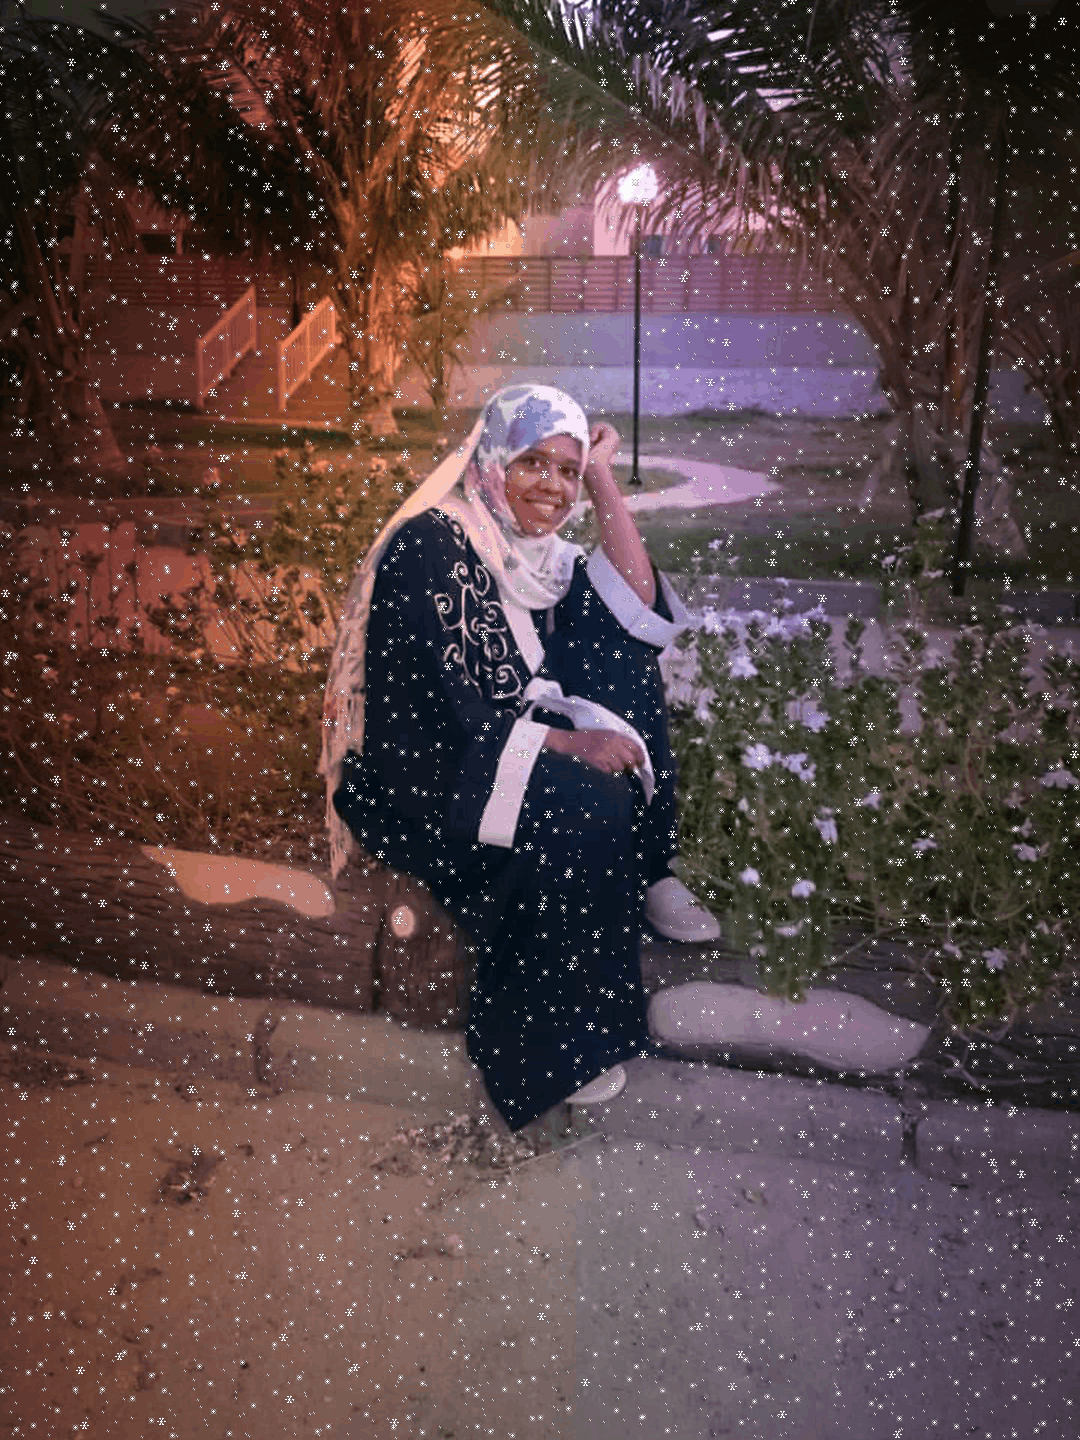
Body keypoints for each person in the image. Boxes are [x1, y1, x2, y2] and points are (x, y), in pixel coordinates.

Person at [321, 384, 719, 1132]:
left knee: (622, 656)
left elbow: (637, 604)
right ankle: (551, 1051)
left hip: (503, 735)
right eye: (533, 462)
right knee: (585, 801)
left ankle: (649, 867)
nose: (551, 486)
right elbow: (434, 705)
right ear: (491, 459)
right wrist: (567, 744)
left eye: (566, 471)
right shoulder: (432, 544)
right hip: (432, 777)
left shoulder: (539, 559)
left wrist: (602, 476)